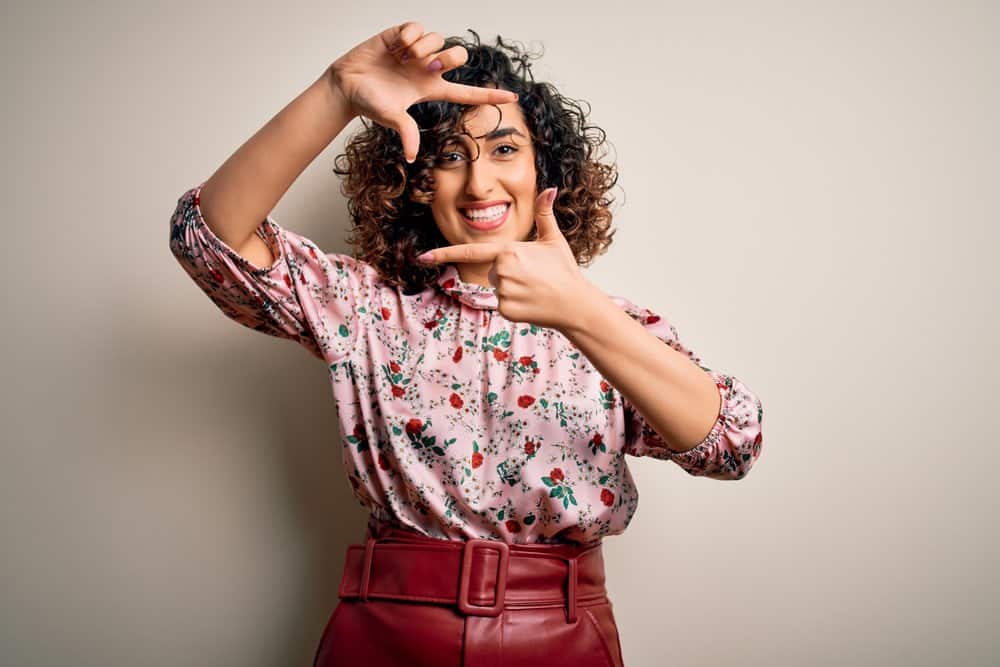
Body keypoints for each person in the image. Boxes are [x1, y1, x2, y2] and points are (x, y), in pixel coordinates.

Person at [169, 21, 764, 667]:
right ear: (415, 178)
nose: (480, 184)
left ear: (547, 169)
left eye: (505, 149)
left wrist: (583, 313)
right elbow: (205, 237)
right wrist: (338, 90)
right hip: (387, 631)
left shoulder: (615, 325)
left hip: (560, 634)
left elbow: (732, 444)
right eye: (450, 155)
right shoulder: (365, 308)